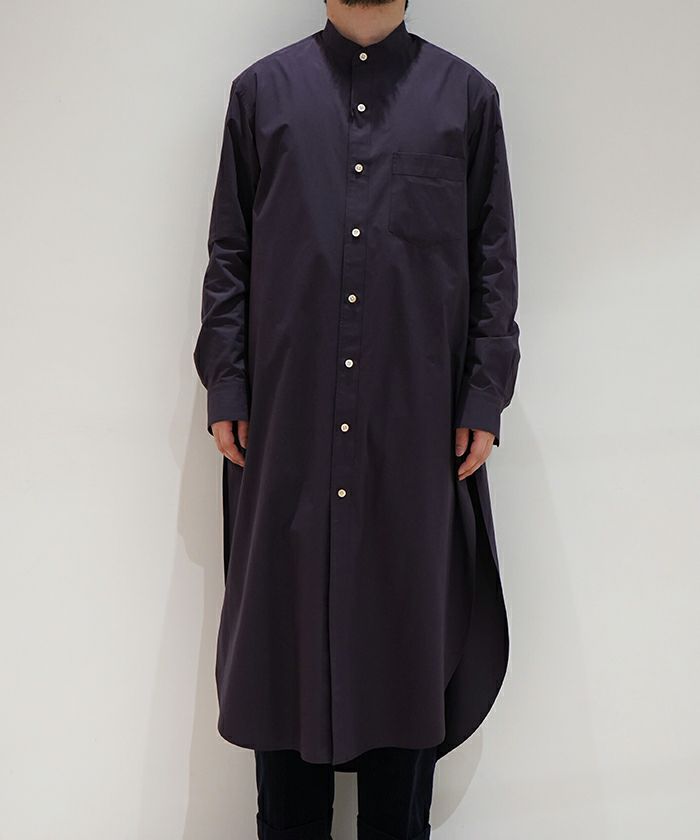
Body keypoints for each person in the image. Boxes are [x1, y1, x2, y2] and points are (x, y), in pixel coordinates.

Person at [193, 0, 521, 837]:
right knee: (283, 654)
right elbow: (230, 253)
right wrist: (227, 384)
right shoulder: (262, 95)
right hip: (287, 433)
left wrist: (484, 394)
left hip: (414, 436)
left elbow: (493, 261)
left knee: (407, 646)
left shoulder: (466, 100)